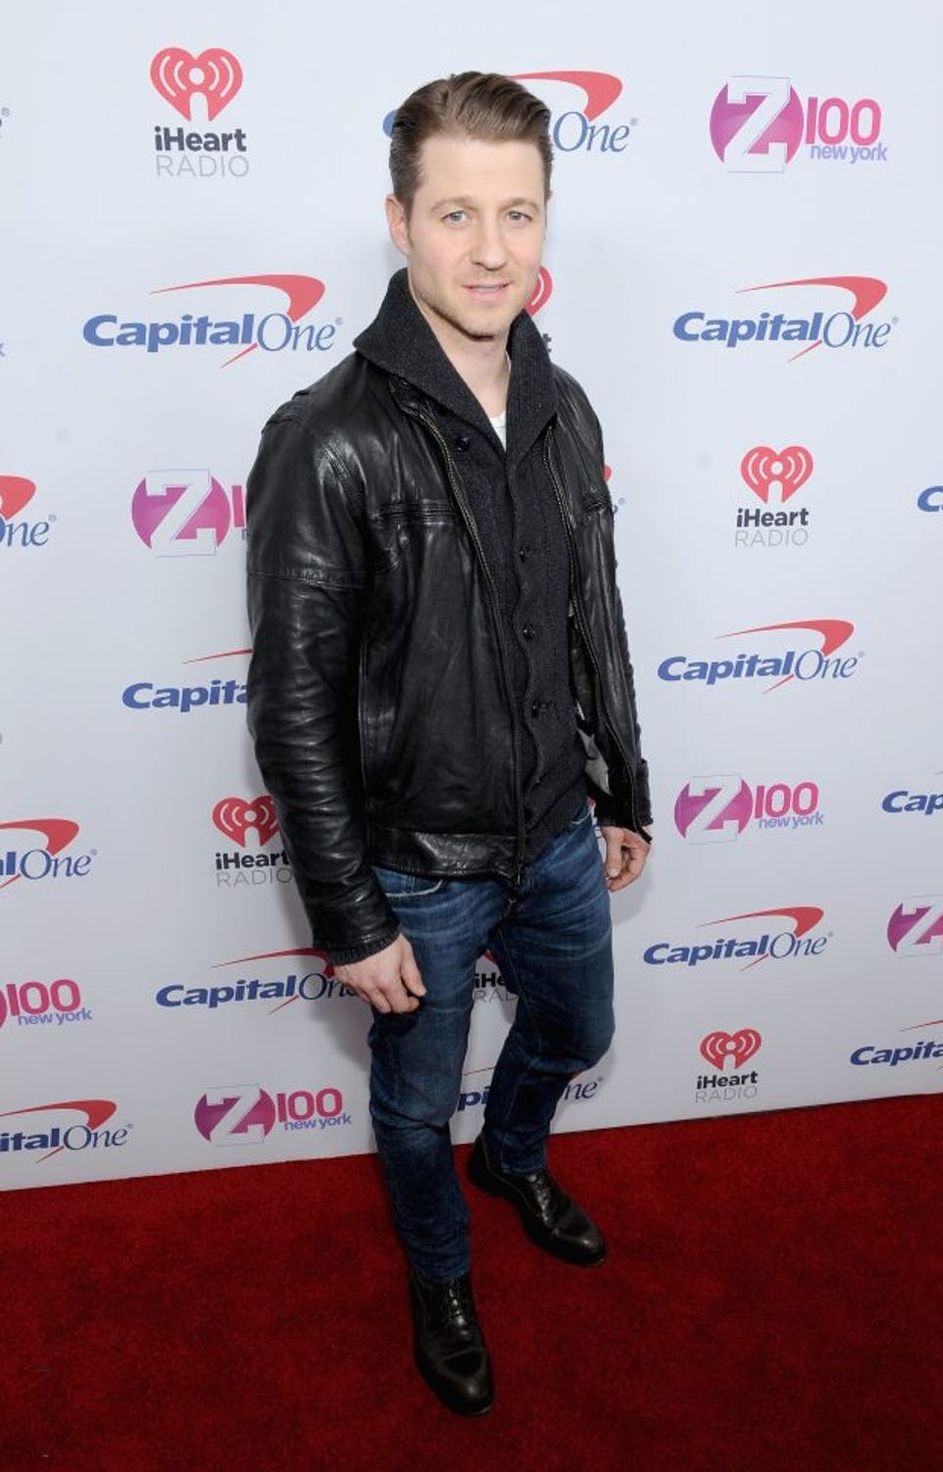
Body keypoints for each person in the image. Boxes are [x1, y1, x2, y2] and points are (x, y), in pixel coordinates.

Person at [245, 71, 652, 1417]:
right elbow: (292, 704)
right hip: (415, 863)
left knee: (579, 1026)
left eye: (519, 213)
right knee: (417, 1111)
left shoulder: (567, 404)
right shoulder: (326, 438)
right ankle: (440, 1270)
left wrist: (621, 787)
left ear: (547, 225)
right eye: (457, 214)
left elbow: (592, 611)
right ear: (400, 222)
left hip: (555, 835)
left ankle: (518, 1153)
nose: (491, 249)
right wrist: (351, 916)